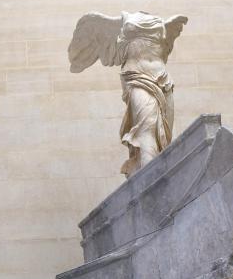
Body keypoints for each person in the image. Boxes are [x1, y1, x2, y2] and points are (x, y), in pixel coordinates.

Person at [68, 11, 188, 176]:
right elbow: (79, 51)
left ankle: (150, 173)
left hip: (163, 79)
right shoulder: (119, 23)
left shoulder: (162, 23)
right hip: (136, 76)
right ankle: (149, 179)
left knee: (165, 138)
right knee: (146, 127)